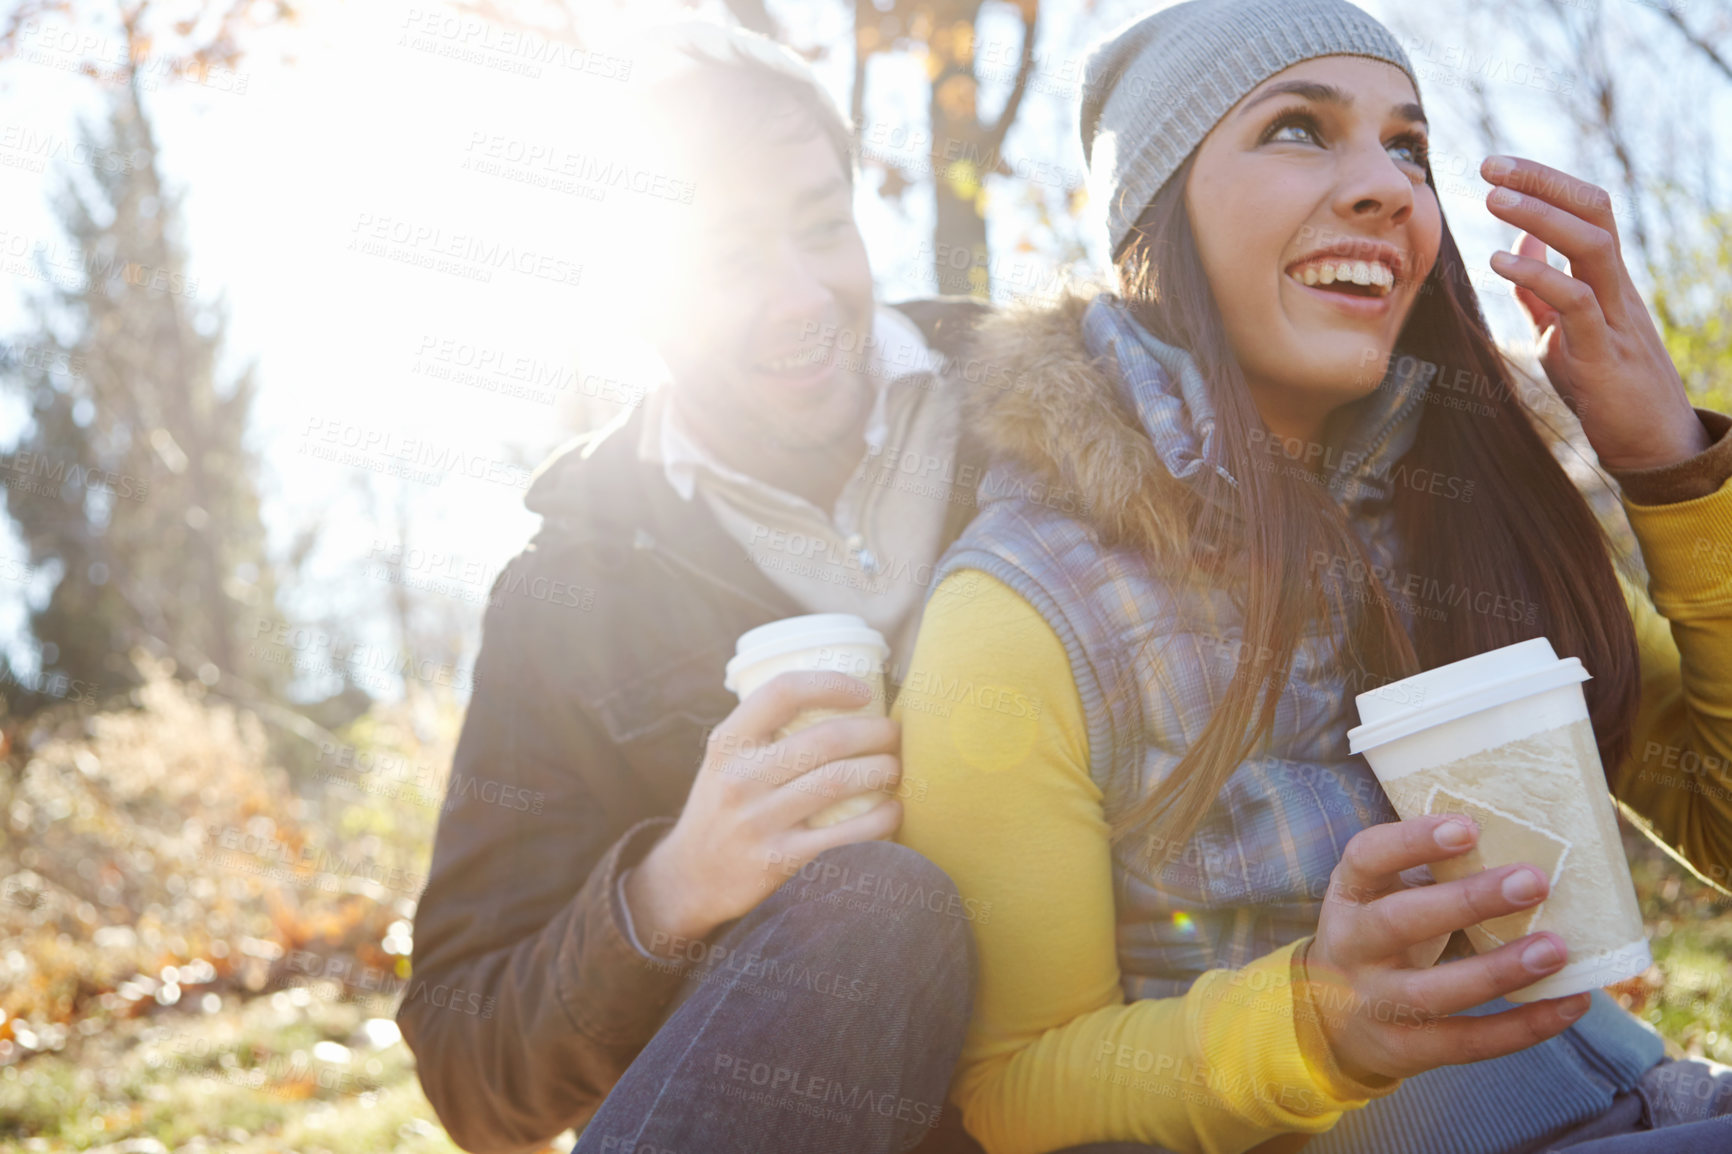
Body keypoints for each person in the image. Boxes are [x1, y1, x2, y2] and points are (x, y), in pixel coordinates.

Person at [894, 2, 1732, 1152]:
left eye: (1406, 147)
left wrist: (1673, 473)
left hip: (1661, 1099)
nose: (1386, 184)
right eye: (1297, 128)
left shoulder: (1474, 509)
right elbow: (1009, 1087)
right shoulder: (1020, 608)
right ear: (1153, 216)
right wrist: (1311, 1024)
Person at [399, 25, 993, 1154]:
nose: (800, 296)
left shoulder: (1042, 408)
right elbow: (466, 1065)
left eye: (823, 225)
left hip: (1089, 1092)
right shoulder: (568, 591)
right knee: (872, 905)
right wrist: (674, 887)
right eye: (725, 258)